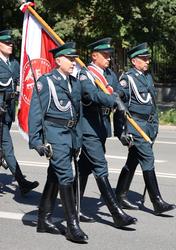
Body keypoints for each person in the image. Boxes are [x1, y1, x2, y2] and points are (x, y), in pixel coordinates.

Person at [28, 42, 88, 243]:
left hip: (70, 136)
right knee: (66, 176)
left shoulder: (74, 82)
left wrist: (78, 139)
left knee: (54, 174)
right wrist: (36, 141)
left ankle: (43, 220)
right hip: (54, 136)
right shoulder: (47, 82)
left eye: (74, 59)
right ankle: (72, 226)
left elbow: (77, 113)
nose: (73, 62)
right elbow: (36, 113)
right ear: (58, 60)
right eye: (70, 59)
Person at [77, 37, 137, 227]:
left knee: (84, 168)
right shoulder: (86, 74)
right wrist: (112, 99)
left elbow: (120, 90)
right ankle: (117, 214)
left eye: (109, 55)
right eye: (105, 55)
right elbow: (90, 94)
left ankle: (74, 206)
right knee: (101, 167)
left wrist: (115, 95)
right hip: (88, 128)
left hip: (102, 126)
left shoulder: (109, 74)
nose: (109, 58)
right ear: (94, 56)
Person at [114, 42, 176, 215]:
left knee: (133, 160)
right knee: (148, 159)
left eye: (148, 58)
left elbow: (151, 103)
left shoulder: (146, 77)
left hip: (148, 125)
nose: (147, 61)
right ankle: (157, 202)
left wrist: (155, 124)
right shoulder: (127, 79)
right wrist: (121, 131)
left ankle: (120, 195)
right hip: (136, 126)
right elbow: (119, 103)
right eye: (144, 58)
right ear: (134, 61)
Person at [0, 29, 39, 195]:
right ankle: (21, 182)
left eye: (11, 43)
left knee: (2, 145)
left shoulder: (15, 63)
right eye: (7, 43)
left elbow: (19, 85)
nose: (11, 45)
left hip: (8, 111)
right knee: (7, 146)